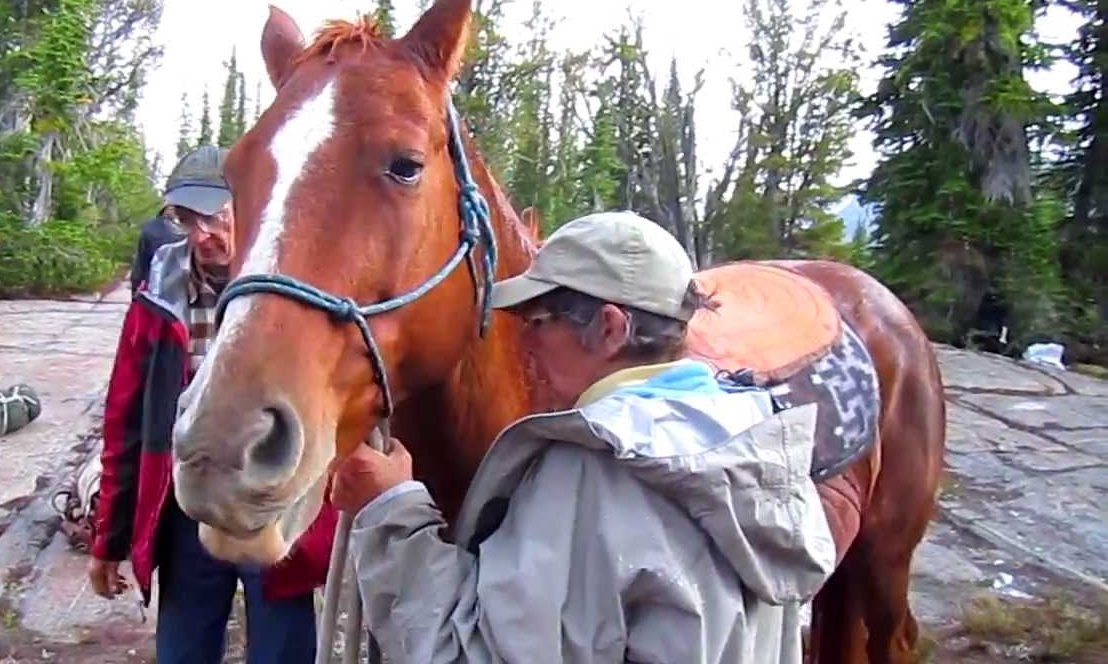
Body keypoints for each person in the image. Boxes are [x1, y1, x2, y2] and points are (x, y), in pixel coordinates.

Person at [331, 211, 837, 663]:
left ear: (611, 329)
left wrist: (390, 511)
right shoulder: (751, 439)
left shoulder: (591, 472)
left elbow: (472, 654)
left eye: (539, 322)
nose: (522, 343)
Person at [89, 145, 338, 664]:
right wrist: (108, 539)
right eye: (187, 218)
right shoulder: (160, 293)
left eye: (215, 215)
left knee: (283, 650)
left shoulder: (296, 286)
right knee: (182, 649)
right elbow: (126, 421)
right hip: (189, 498)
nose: (203, 234)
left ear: (248, 206)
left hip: (273, 497)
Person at [129, 208, 183, 293]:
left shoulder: (187, 226)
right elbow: (141, 259)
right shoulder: (151, 228)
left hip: (176, 283)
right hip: (158, 281)